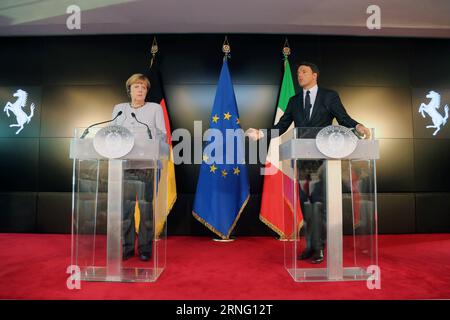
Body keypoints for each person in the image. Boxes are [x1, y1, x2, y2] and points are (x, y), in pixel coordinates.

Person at [248, 62, 371, 263]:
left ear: (315, 75)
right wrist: (261, 133)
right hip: (302, 160)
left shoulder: (329, 96)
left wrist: (358, 125)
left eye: (304, 72)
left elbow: (342, 118)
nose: (299, 75)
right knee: (306, 205)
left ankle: (320, 247)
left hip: (324, 160)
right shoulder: (294, 100)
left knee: (319, 204)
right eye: (297, 73)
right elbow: (281, 126)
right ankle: (311, 246)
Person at [112, 73, 167, 261]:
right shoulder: (119, 109)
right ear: (129, 90)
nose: (140, 90)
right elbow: (112, 133)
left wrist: (149, 148)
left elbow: (161, 134)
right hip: (124, 164)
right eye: (137, 87)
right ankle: (126, 248)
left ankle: (144, 249)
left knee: (145, 211)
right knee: (125, 210)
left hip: (147, 166)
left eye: (143, 87)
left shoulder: (154, 109)